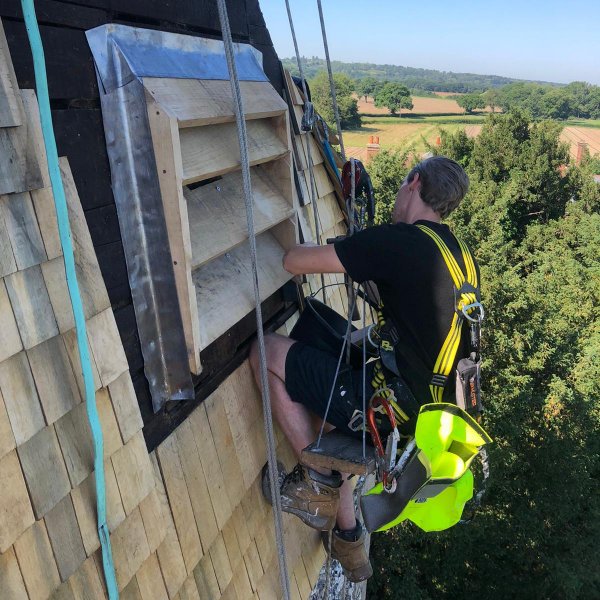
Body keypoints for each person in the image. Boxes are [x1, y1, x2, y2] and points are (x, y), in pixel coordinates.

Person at [249, 156, 475, 582]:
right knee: (327, 344)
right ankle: (348, 535)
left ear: (414, 182)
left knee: (266, 353)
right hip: (425, 418)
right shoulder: (458, 255)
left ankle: (316, 485)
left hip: (393, 409)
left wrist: (353, 248)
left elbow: (294, 261)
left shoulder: (400, 242)